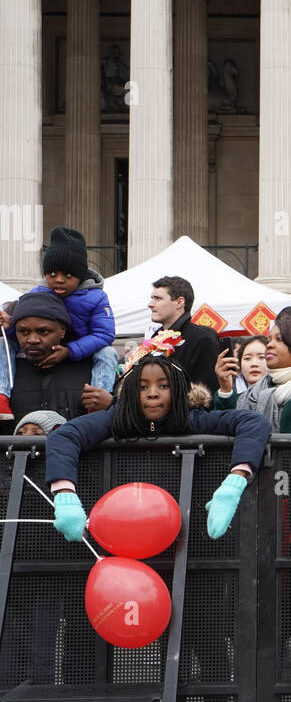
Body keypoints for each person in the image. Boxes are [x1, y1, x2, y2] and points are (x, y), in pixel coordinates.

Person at [45, 346, 270, 541]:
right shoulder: (116, 417)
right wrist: (65, 497)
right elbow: (65, 435)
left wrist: (234, 485)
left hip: (184, 529)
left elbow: (253, 422)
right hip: (122, 526)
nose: (152, 394)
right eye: (143, 387)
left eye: (163, 386)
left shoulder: (192, 417)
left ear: (178, 390)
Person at [0, 227, 117, 417]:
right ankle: (1, 396)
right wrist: (10, 324)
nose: (59, 281)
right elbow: (24, 328)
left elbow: (104, 334)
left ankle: (95, 402)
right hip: (54, 352)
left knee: (107, 353)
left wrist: (70, 351)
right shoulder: (35, 294)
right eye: (52, 274)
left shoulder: (97, 297)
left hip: (83, 350)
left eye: (68, 275)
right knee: (3, 344)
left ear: (80, 274)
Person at [7, 294, 112, 422]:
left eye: (43, 331)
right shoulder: (7, 375)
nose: (32, 340)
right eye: (23, 332)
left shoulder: (95, 369)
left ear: (62, 330)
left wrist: (111, 406)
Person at [213, 311, 291, 432]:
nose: (270, 345)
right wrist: (225, 389)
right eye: (269, 340)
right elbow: (226, 426)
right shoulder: (253, 393)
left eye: (279, 339)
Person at [149, 275, 221, 394]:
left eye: (158, 298)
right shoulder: (155, 338)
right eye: (152, 298)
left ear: (179, 302)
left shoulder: (202, 338)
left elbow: (206, 394)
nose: (150, 304)